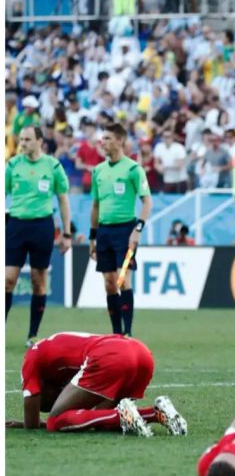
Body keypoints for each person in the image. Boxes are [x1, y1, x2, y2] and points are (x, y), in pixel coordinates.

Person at [7, 331, 188, 436]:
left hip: (112, 356)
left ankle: (125, 414)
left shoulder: (31, 358)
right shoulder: (58, 359)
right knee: (102, 419)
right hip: (141, 353)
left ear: (44, 385)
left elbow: (31, 408)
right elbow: (92, 418)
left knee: (55, 421)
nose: (55, 401)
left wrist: (26, 423)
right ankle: (157, 414)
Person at [6, 126, 73, 346]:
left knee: (38, 281)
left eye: (27, 139)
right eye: (21, 139)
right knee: (8, 280)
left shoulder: (52, 166)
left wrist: (66, 233)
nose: (22, 143)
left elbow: (63, 199)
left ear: (40, 141)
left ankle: (32, 335)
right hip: (15, 225)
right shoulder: (13, 165)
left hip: (42, 227)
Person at [89, 123, 153, 337]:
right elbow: (96, 206)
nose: (102, 143)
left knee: (123, 279)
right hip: (104, 233)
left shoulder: (133, 169)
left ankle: (128, 332)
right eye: (102, 138)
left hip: (126, 231)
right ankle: (116, 333)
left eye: (107, 138)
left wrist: (138, 229)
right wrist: (92, 237)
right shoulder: (98, 170)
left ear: (120, 141)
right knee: (109, 284)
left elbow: (147, 202)